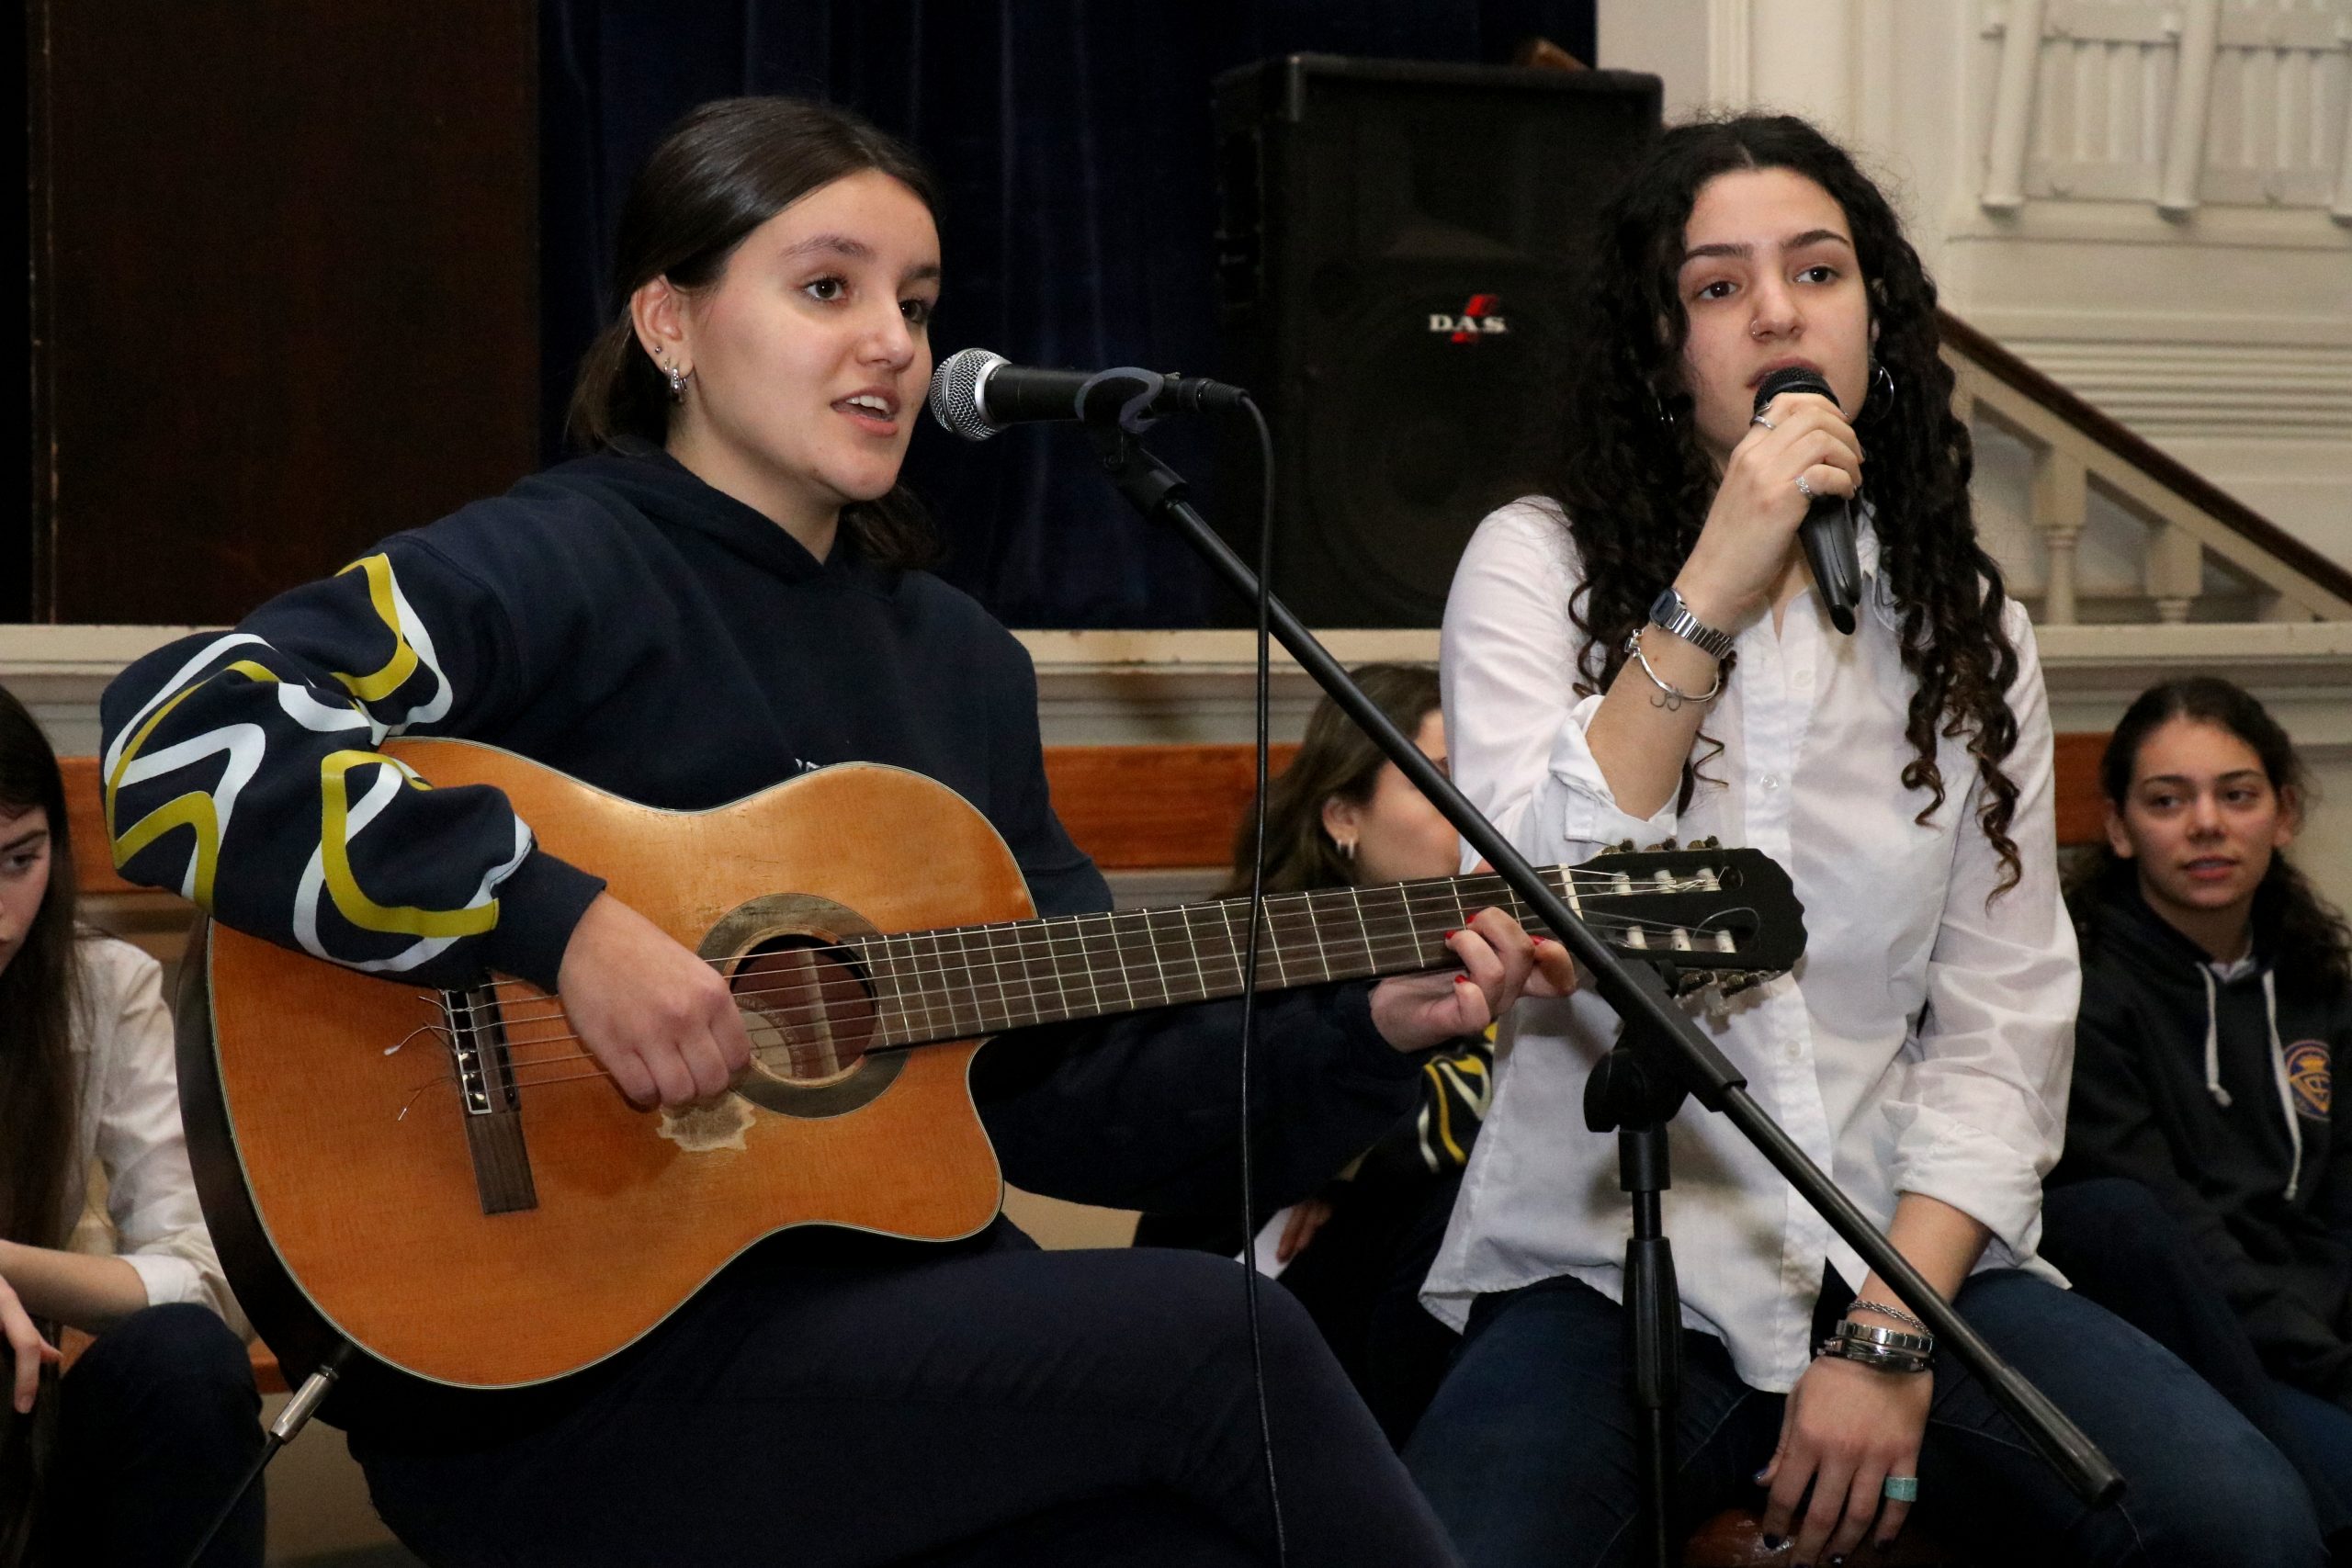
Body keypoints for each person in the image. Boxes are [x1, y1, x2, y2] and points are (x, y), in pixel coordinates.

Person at [96, 97, 1569, 1568]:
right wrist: (564, 923)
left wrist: (1364, 1030)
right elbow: (179, 736)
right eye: (829, 287)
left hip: (889, 1343)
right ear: (669, 320)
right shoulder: (555, 564)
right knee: (1224, 1333)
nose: (895, 343)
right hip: (562, 1382)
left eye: (917, 303)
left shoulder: (958, 664)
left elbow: (1075, 1096)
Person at [1400, 111, 2323, 1568]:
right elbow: (1535, 902)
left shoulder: (1967, 626)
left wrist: (1892, 1329)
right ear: (1662, 347)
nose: (1776, 309)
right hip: (1612, 1258)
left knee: (2242, 1525)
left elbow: (2003, 1021)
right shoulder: (1540, 561)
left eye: (1817, 271)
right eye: (1718, 286)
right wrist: (1715, 573)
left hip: (1898, 1249)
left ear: (1874, 321)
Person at [1136, 664, 1496, 1445]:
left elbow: (1508, 1106)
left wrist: (1349, 1160)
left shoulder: (1494, 949)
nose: (1472, 814)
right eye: (1437, 782)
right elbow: (1260, 1124)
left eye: (1482, 780)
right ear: (1344, 816)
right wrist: (1333, 1145)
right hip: (1234, 1314)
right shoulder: (1238, 952)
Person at [2043, 676, 2352, 1542]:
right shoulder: (2081, 990)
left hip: (2311, 1336)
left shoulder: (2317, 982)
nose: (2206, 824)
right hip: (2191, 1346)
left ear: (2283, 814)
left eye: (2237, 795)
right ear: (2118, 827)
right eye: (2167, 800)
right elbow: (2170, 1232)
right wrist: (2330, 1361)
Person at [0, 685, 262, 1568]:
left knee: (185, 1364)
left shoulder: (102, 988)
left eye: (18, 859)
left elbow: (204, 1281)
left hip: (25, 1453)